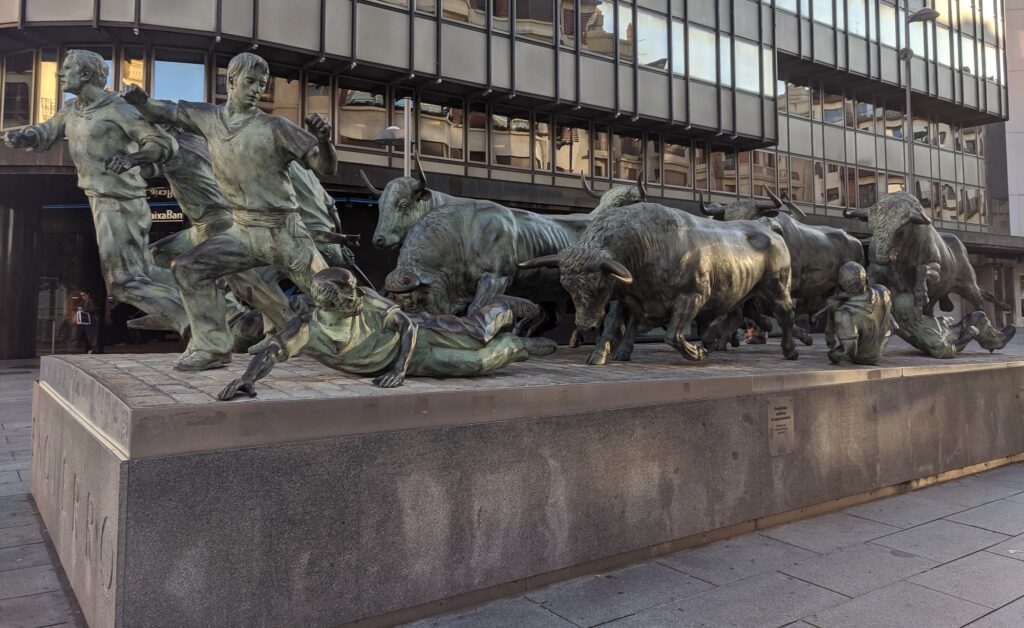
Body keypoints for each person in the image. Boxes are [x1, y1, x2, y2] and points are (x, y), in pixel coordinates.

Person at [122, 52, 338, 371]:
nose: (255, 90)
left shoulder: (276, 126)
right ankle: (212, 347)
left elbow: (325, 167)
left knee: (332, 294)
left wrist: (324, 139)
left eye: (261, 85)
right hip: (242, 232)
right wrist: (140, 100)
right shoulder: (207, 117)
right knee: (188, 267)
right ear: (231, 82)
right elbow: (164, 110)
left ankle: (377, 343)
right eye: (250, 82)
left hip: (285, 232)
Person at [2, 50, 188, 334]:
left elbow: (162, 143)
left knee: (123, 281)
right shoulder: (71, 108)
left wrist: (131, 159)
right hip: (100, 200)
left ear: (86, 75)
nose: (59, 74)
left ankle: (197, 323)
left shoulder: (118, 108)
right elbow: (47, 131)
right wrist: (26, 135)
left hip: (121, 202)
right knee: (143, 273)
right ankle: (208, 294)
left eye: (66, 69)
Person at [218, 268, 556, 400]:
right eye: (349, 295)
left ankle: (502, 306)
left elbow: (406, 324)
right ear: (330, 303)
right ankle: (517, 344)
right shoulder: (307, 327)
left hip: (417, 335)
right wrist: (249, 379)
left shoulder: (364, 297)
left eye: (354, 290)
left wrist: (398, 370)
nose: (358, 295)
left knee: (478, 332)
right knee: (479, 362)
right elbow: (272, 352)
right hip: (415, 358)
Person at [814, 261, 895, 365]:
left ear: (842, 285)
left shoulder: (844, 314)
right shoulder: (883, 291)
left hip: (862, 357)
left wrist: (831, 355)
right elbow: (892, 323)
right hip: (880, 351)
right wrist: (848, 299)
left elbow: (848, 351)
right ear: (866, 279)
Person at [890, 292, 1016, 359]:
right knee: (978, 317)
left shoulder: (913, 321)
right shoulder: (925, 332)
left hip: (947, 330)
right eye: (916, 306)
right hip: (953, 338)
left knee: (974, 317)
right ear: (908, 313)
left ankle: (990, 340)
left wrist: (942, 321)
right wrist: (965, 338)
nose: (920, 307)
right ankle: (997, 341)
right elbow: (943, 351)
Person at [74, 289, 99, 353]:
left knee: (90, 335)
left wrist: (83, 310)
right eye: (81, 295)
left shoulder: (90, 301)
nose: (82, 297)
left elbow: (92, 309)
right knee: (84, 334)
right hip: (85, 321)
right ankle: (89, 348)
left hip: (90, 321)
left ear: (88, 294)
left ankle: (91, 348)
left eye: (83, 295)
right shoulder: (83, 302)